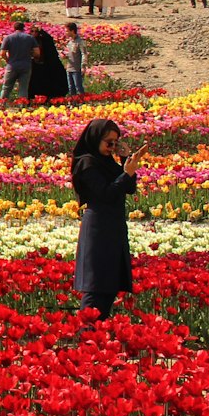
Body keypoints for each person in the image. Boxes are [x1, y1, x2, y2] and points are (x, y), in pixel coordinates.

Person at [70, 119, 146, 319]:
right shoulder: (87, 163)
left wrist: (125, 161)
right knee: (96, 286)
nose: (112, 148)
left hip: (114, 226)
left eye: (116, 143)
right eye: (108, 143)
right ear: (95, 139)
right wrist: (125, 174)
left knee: (110, 283)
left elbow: (128, 188)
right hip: (98, 228)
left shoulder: (108, 162)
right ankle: (86, 332)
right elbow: (105, 193)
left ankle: (98, 332)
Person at [0, 19, 37, 101]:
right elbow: (37, 52)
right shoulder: (30, 38)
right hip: (26, 65)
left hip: (12, 65)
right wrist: (31, 56)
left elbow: (2, 53)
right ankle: (22, 106)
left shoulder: (8, 38)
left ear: (14, 28)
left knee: (6, 87)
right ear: (24, 28)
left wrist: (8, 60)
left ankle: (2, 105)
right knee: (23, 88)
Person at [30, 27, 68, 100]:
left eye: (36, 31)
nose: (34, 33)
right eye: (32, 31)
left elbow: (50, 54)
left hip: (46, 65)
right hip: (34, 65)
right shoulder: (30, 40)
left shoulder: (45, 40)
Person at [63, 21, 87, 97]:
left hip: (77, 69)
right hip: (69, 68)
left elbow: (84, 54)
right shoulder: (70, 42)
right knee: (71, 88)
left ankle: (83, 102)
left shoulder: (80, 42)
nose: (65, 33)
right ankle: (74, 103)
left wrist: (83, 66)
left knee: (78, 87)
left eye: (67, 31)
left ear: (72, 31)